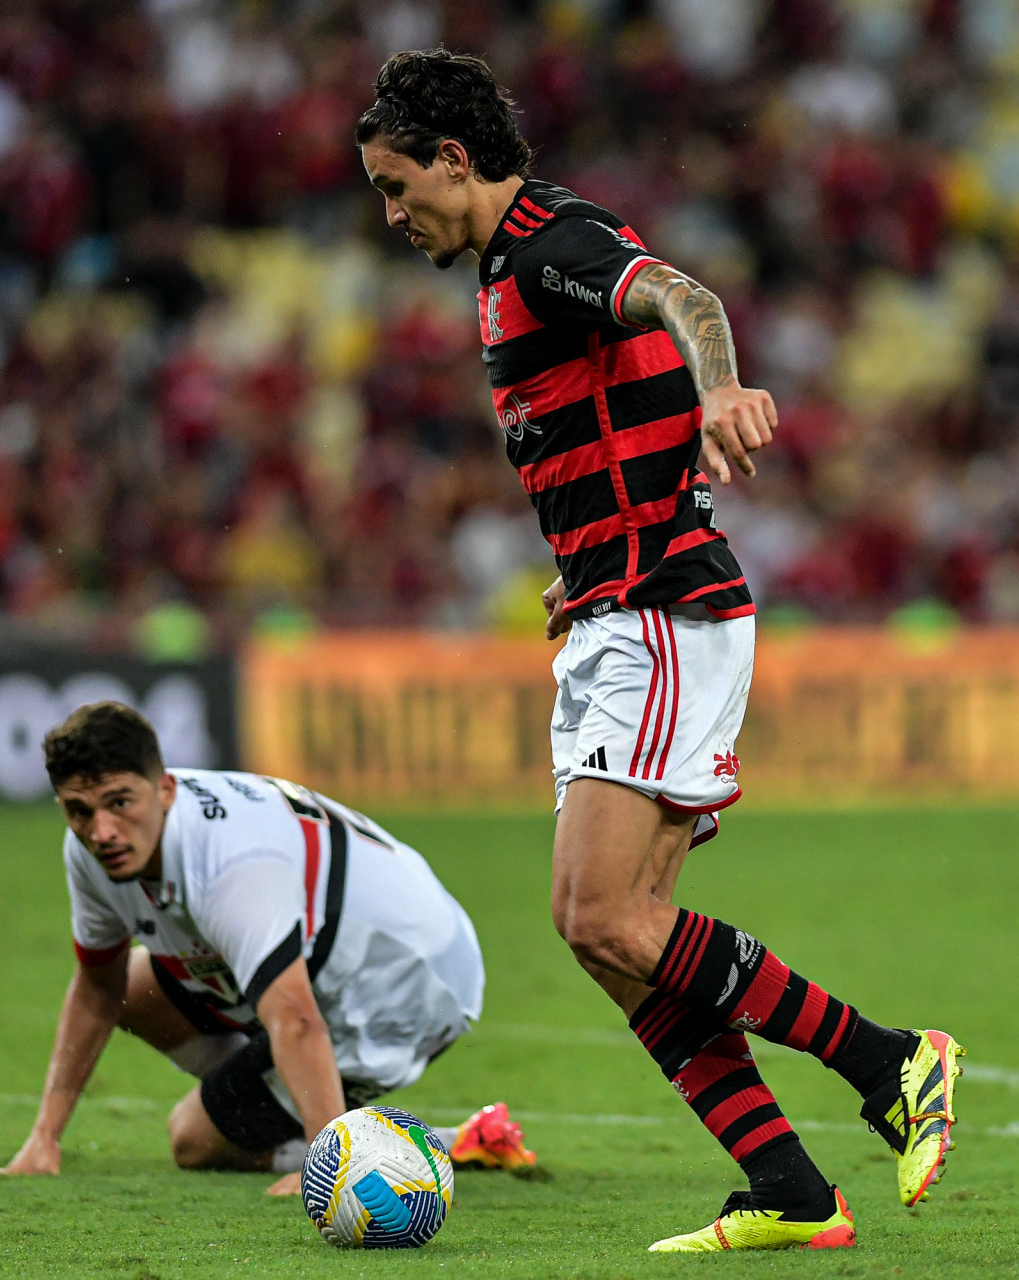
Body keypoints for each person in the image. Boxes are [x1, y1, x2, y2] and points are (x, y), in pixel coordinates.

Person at [355, 49, 959, 1252]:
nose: (390, 213)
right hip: (613, 602)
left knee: (603, 916)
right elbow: (606, 425)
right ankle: (790, 1188)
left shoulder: (543, 244)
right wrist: (579, 563)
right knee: (625, 945)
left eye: (394, 185)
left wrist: (724, 393)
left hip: (662, 611)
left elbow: (685, 300)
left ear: (454, 161)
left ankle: (893, 1061)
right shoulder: (504, 267)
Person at [0, 701, 535, 1195]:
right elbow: (99, 988)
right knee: (136, 991)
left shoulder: (231, 864)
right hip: (325, 957)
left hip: (403, 981)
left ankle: (432, 1148)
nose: (103, 832)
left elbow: (294, 1016)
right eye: (79, 811)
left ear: (164, 789)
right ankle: (293, 1105)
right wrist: (43, 1141)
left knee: (195, 1139)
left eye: (120, 802)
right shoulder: (95, 850)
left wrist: (326, 1163)